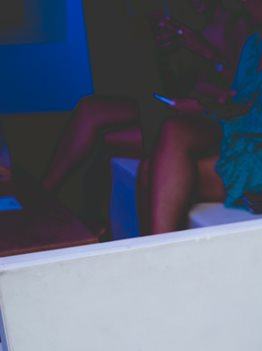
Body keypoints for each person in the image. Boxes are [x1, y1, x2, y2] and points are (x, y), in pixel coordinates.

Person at [39, 0, 247, 235]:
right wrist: (168, 54)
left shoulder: (238, 24)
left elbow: (243, 91)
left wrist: (204, 51)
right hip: (180, 108)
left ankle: (100, 226)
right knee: (91, 109)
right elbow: (182, 84)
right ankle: (41, 197)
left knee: (106, 139)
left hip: (209, 121)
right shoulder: (193, 22)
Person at [141, 0, 262, 233]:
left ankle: (157, 252)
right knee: (162, 148)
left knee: (162, 155)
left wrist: (206, 110)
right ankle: (154, 250)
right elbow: (241, 99)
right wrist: (213, 101)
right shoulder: (258, 43)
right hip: (250, 139)